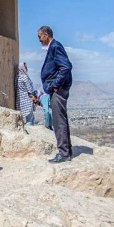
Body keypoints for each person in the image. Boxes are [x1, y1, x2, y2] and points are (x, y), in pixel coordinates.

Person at [38, 26, 73, 163]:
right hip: (57, 89)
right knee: (60, 120)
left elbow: (65, 67)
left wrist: (55, 85)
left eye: (40, 37)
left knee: (58, 122)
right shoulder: (53, 46)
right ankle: (67, 151)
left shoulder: (55, 46)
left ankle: (63, 153)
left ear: (46, 35)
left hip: (58, 90)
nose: (39, 40)